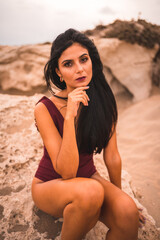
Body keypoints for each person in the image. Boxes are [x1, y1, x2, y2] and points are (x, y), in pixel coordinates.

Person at [31, 29, 144, 240]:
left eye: (84, 59)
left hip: (89, 178)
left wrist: (117, 199)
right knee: (91, 192)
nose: (80, 69)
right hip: (50, 185)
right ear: (58, 71)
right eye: (68, 64)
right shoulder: (44, 108)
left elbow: (112, 156)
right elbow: (67, 172)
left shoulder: (102, 99)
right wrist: (69, 116)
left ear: (92, 60)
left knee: (127, 212)